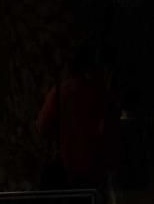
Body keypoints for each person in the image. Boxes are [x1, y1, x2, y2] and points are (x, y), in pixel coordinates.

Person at [34, 46, 111, 189]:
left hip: (65, 166)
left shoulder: (60, 93)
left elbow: (42, 126)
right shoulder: (97, 94)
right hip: (93, 168)